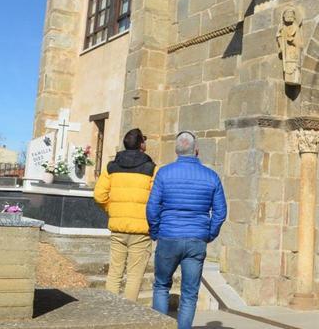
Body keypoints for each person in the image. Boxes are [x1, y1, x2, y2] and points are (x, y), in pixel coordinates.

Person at [147, 131, 227, 329]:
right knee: (190, 293)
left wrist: (156, 231)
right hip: (196, 239)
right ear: (196, 151)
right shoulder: (211, 176)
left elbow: (152, 207)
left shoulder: (164, 173)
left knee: (161, 286)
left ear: (176, 150)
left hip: (168, 236)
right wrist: (209, 234)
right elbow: (220, 212)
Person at [93, 128, 156, 301]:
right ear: (141, 145)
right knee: (134, 276)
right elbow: (157, 198)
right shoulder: (151, 168)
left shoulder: (111, 167)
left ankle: (109, 313)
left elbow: (99, 195)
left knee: (114, 273)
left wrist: (111, 209)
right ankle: (128, 317)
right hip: (141, 230)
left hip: (118, 228)